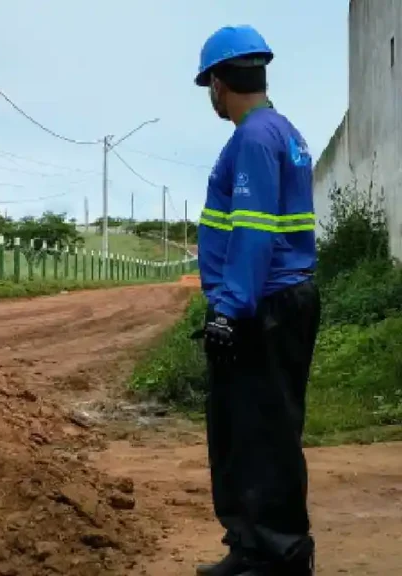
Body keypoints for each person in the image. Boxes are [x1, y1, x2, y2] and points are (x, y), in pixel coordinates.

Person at [193, 25, 320, 576]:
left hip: (263, 305)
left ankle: (279, 555)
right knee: (252, 431)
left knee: (259, 434)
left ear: (219, 82)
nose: (212, 97)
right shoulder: (283, 131)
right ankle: (252, 547)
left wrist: (230, 308)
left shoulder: (252, 137)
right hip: (280, 302)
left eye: (210, 87)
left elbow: (251, 229)